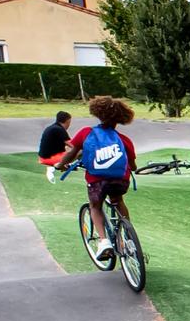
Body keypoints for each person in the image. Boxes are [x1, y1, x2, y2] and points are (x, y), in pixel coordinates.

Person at [57, 96, 137, 260]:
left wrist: (60, 165)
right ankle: (129, 237)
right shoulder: (124, 140)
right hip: (120, 181)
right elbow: (133, 165)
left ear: (98, 114)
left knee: (95, 206)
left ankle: (104, 242)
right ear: (119, 119)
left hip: (97, 180)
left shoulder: (87, 133)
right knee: (118, 200)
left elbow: (71, 153)